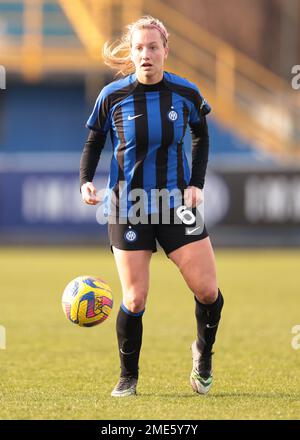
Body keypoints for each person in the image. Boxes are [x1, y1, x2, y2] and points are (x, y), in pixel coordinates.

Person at [80, 16, 224, 397]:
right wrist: (86, 181)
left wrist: (196, 184)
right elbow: (94, 140)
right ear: (131, 52)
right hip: (129, 206)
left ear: (165, 51)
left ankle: (203, 355)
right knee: (135, 298)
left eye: (153, 47)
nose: (146, 54)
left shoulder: (186, 93)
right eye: (139, 48)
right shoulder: (112, 95)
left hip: (176, 204)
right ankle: (128, 377)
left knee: (208, 291)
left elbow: (201, 135)